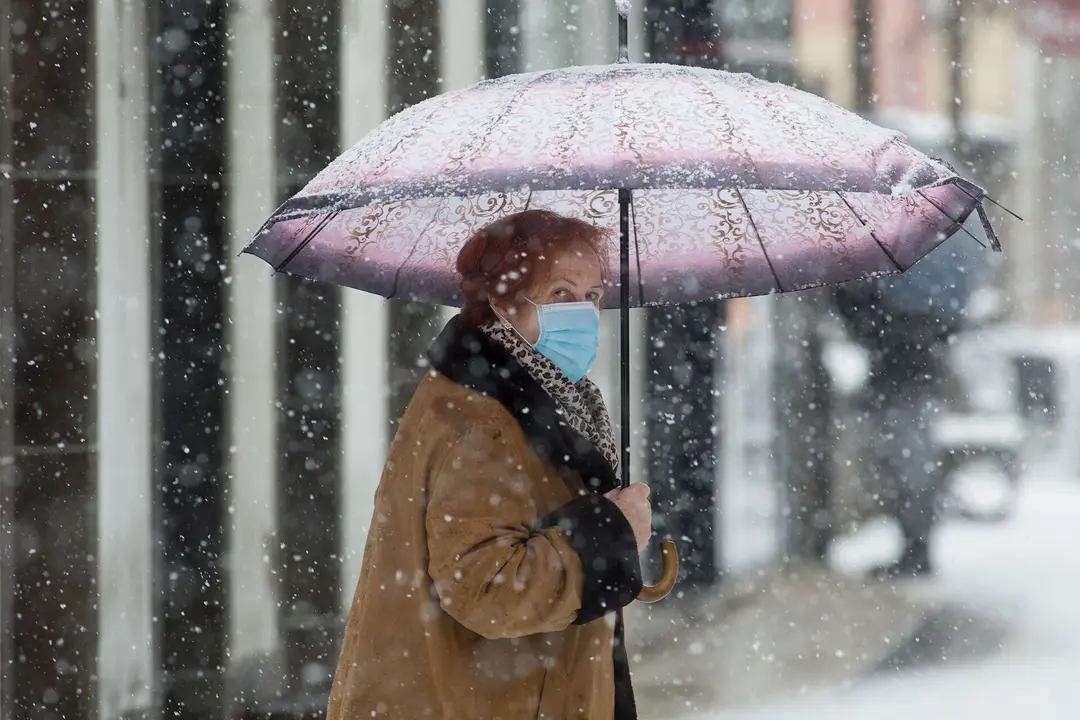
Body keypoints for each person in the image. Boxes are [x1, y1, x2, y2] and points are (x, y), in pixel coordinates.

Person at [327, 209, 653, 720]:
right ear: (501, 302)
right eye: (561, 294)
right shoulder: (484, 422)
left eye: (592, 296)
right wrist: (611, 534)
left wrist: (613, 540)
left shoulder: (542, 402)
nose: (584, 314)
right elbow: (485, 587)